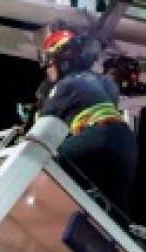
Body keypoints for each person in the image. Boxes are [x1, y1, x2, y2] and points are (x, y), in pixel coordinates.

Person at [36, 26, 138, 216]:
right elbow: (112, 94)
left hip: (96, 137)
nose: (48, 72)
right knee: (115, 213)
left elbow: (42, 131)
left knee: (46, 165)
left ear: (62, 62)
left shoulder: (64, 86)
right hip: (125, 142)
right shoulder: (101, 81)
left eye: (49, 65)